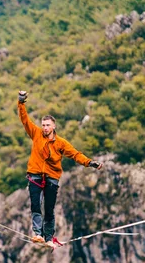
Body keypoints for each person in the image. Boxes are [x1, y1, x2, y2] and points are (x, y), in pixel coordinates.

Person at [17, 90, 102, 247]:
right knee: (35, 205)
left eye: (48, 125)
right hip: (35, 175)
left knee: (49, 209)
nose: (45, 128)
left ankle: (48, 238)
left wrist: (89, 163)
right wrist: (21, 102)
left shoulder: (61, 143)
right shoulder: (35, 134)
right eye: (43, 125)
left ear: (54, 126)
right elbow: (24, 120)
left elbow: (75, 154)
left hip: (51, 177)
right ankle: (37, 234)